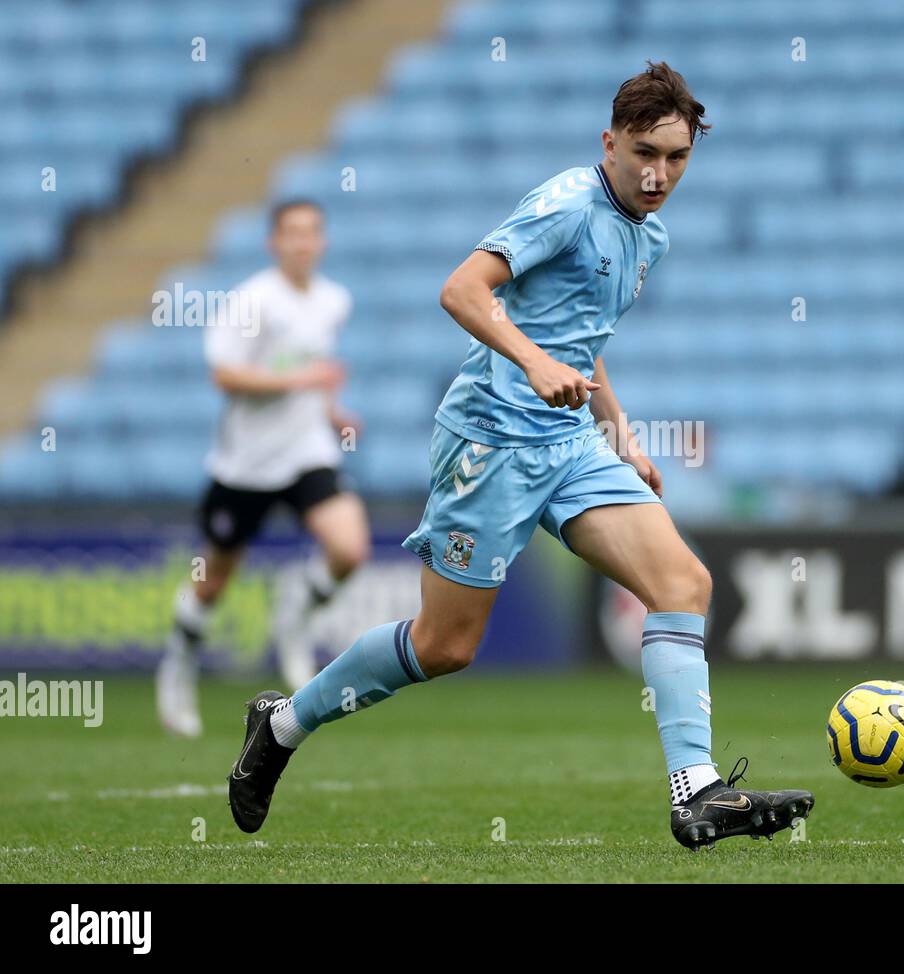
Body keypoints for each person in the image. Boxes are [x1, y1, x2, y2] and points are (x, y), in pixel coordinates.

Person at [225, 63, 813, 849]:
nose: (658, 173)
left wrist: (620, 433)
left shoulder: (650, 235)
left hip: (569, 445)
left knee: (683, 582)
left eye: (676, 158)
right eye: (644, 152)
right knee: (445, 647)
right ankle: (284, 723)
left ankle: (695, 791)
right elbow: (463, 290)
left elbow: (581, 336)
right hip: (491, 440)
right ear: (610, 142)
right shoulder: (568, 203)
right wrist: (532, 363)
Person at [156, 200, 369, 737]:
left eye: (312, 232)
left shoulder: (332, 300)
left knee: (349, 549)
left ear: (322, 241)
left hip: (306, 454)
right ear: (274, 242)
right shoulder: (251, 301)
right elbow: (226, 376)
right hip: (245, 464)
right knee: (214, 580)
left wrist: (332, 413)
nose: (303, 242)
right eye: (292, 233)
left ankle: (294, 613)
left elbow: (313, 373)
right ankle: (178, 666)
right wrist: (302, 383)